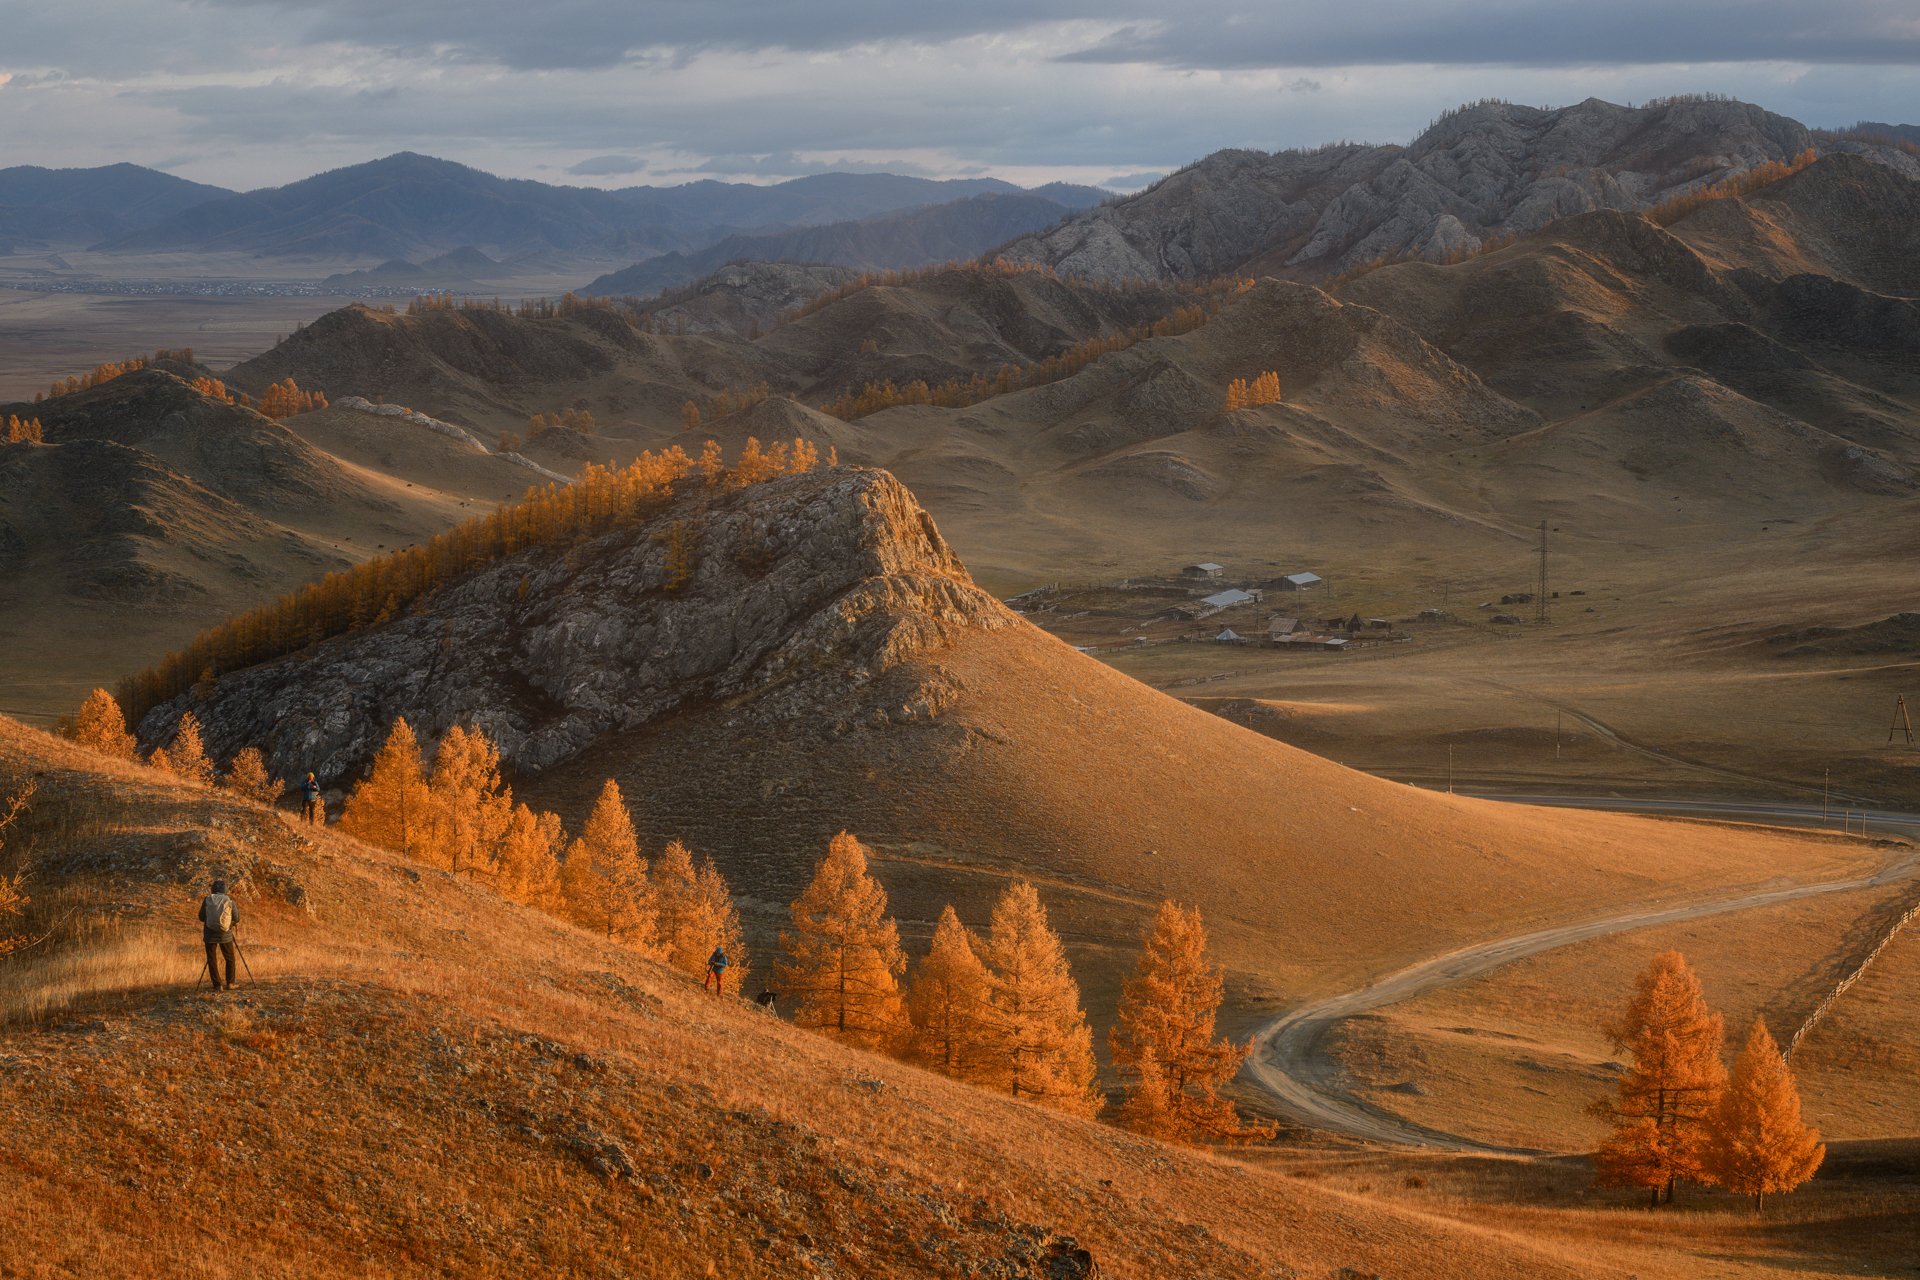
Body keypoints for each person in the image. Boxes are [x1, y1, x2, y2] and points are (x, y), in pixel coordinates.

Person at [199, 878, 241, 991]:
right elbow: (237, 918)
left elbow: (201, 917)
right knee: (230, 958)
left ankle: (217, 985)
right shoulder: (230, 901)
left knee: (212, 959)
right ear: (225, 890)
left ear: (212, 889)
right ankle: (230, 983)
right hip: (225, 934)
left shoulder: (207, 899)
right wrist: (229, 924)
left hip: (209, 935)